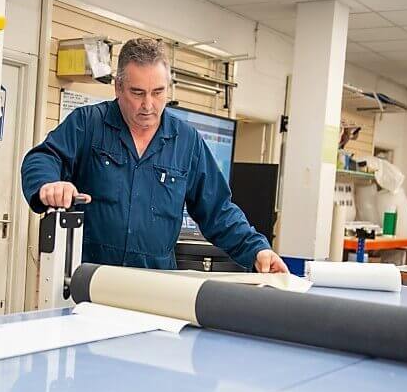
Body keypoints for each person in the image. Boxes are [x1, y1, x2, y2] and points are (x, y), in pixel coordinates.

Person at [21, 38, 287, 273]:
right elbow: (42, 158)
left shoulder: (187, 142)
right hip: (91, 282)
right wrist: (48, 184)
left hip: (154, 289)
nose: (148, 105)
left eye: (158, 92)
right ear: (118, 87)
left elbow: (218, 210)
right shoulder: (88, 123)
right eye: (137, 93)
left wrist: (257, 250)